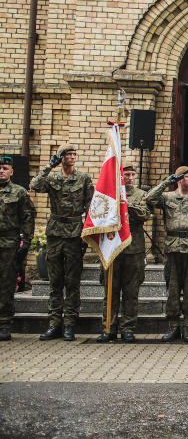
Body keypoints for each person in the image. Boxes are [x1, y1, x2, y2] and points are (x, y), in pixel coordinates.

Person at [31, 144, 94, 341]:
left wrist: (86, 234)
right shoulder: (52, 178)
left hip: (75, 234)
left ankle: (69, 324)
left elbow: (90, 205)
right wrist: (49, 166)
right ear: (61, 157)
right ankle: (54, 324)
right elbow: (34, 185)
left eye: (75, 154)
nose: (73, 157)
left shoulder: (83, 179)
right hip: (55, 233)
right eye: (69, 154)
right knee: (55, 282)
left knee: (72, 282)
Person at [144, 166, 188, 342]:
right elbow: (149, 198)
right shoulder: (167, 197)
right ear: (180, 179)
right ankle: (173, 325)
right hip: (173, 248)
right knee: (172, 289)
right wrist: (168, 181)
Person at [97, 162, 149, 343]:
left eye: (133, 175)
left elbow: (144, 215)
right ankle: (108, 327)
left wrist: (125, 204)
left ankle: (128, 328)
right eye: (126, 175)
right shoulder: (108, 195)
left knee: (131, 291)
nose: (130, 178)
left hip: (133, 250)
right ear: (119, 176)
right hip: (112, 249)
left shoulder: (141, 195)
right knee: (110, 290)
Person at [0, 156, 35, 341]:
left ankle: (4, 324)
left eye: (5, 168)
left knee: (6, 285)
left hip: (8, 244)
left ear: (11, 172)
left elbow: (28, 219)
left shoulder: (19, 192)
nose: (1, 171)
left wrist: (26, 244)